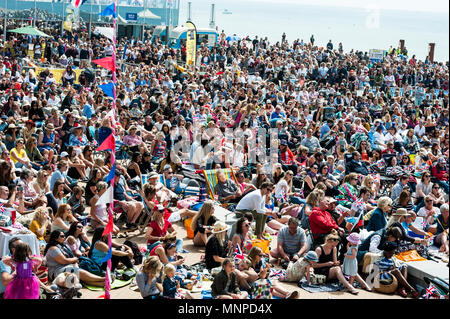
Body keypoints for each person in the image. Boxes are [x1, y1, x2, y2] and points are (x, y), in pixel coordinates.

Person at [313, 230, 359, 295]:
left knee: (347, 265)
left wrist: (336, 263)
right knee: (337, 269)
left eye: (335, 246)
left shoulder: (334, 248)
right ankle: (350, 287)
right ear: (328, 241)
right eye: (332, 245)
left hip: (330, 270)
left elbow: (334, 262)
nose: (333, 247)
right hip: (320, 272)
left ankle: (364, 284)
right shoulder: (319, 249)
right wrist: (326, 264)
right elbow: (314, 265)